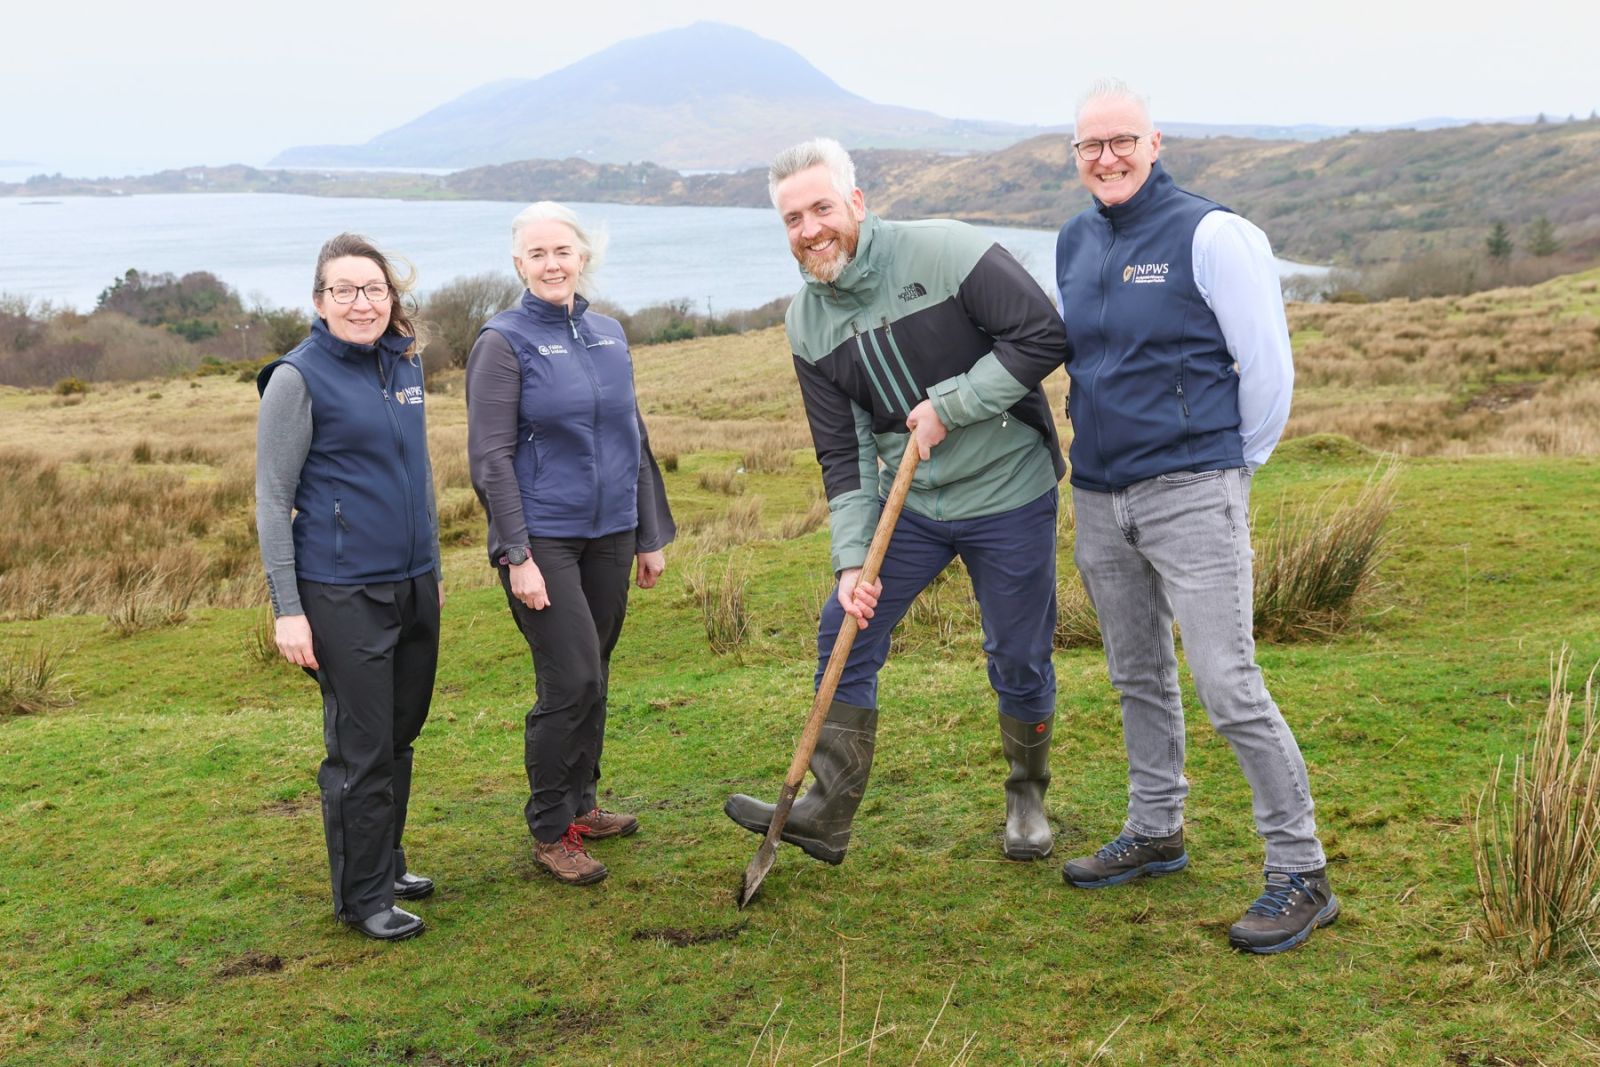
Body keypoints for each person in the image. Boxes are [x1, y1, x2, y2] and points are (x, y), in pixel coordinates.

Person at [723, 137, 1070, 866]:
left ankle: (1027, 795)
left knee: (1018, 653)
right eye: (793, 219)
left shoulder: (948, 252)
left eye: (822, 208)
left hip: (1010, 490)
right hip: (912, 511)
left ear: (856, 202)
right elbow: (843, 453)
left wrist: (953, 403)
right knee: (843, 630)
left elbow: (1042, 334)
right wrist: (853, 562)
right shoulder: (807, 324)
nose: (810, 229)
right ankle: (827, 809)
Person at [1053, 79, 1337, 954]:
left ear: (1155, 140)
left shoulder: (1213, 233)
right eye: (1090, 146)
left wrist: (1227, 470)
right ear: (1076, 156)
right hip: (1098, 494)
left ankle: (1301, 871)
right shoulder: (1073, 240)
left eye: (1122, 141)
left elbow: (1269, 372)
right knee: (1137, 673)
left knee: (1227, 680)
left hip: (1191, 490)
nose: (1107, 157)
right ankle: (1156, 828)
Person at [466, 201, 675, 887]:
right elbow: (491, 457)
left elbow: (632, 437)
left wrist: (650, 534)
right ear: (518, 264)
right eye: (537, 254)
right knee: (572, 677)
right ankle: (551, 828)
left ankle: (583, 803)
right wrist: (516, 552)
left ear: (583, 255)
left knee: (597, 670)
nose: (552, 263)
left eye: (563, 251)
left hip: (611, 532)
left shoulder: (610, 333)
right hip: (544, 538)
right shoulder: (503, 341)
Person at [255, 233, 442, 942]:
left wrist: (435, 571)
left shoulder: (403, 364)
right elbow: (273, 499)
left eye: (374, 289)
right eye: (345, 290)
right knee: (360, 745)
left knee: (400, 732)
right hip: (340, 591)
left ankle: (385, 862)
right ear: (318, 300)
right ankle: (362, 897)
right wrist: (288, 610)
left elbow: (418, 473)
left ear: (390, 296)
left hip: (414, 581)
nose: (362, 302)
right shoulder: (296, 379)